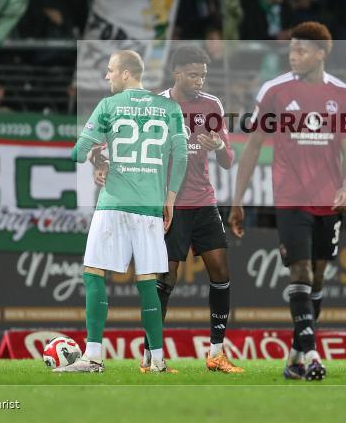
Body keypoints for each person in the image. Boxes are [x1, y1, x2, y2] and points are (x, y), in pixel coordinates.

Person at [93, 47, 243, 374]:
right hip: (168, 203)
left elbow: (229, 160)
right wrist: (101, 163)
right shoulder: (157, 106)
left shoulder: (212, 105)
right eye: (193, 74)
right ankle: (149, 357)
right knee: (166, 278)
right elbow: (120, 145)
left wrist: (218, 146)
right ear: (176, 72)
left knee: (221, 271)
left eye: (203, 74)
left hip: (203, 201)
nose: (199, 80)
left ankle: (216, 353)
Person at [228, 22, 346, 382]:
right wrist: (237, 200)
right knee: (300, 272)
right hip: (290, 198)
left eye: (301, 51)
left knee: (317, 278)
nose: (293, 56)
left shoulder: (344, 94)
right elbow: (253, 145)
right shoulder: (275, 90)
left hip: (328, 199)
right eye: (291, 51)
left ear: (321, 53)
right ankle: (314, 353)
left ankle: (294, 357)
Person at [60, 50, 188, 374]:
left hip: (114, 203)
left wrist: (97, 160)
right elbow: (182, 157)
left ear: (126, 74)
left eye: (110, 70)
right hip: (149, 208)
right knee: (147, 283)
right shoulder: (170, 108)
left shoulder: (108, 106)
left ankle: (93, 357)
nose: (107, 77)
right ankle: (157, 361)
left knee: (93, 274)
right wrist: (170, 200)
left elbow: (77, 152)